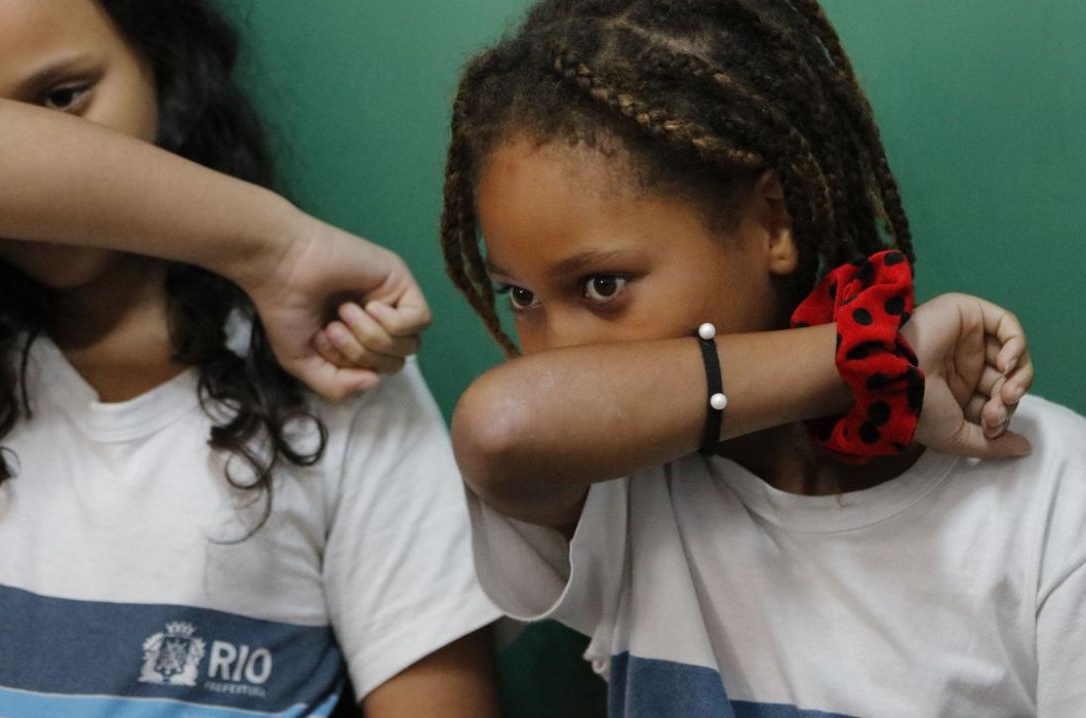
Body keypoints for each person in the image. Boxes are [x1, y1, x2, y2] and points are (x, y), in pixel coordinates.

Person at [442, 0, 1083, 715]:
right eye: (521, 296)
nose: (555, 351)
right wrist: (866, 358)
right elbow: (500, 428)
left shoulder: (1052, 496)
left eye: (604, 286)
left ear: (772, 221)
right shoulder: (615, 489)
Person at [0, 0, 500, 715]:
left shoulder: (336, 371)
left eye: (61, 98)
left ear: (162, 65)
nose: (13, 169)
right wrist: (280, 251)